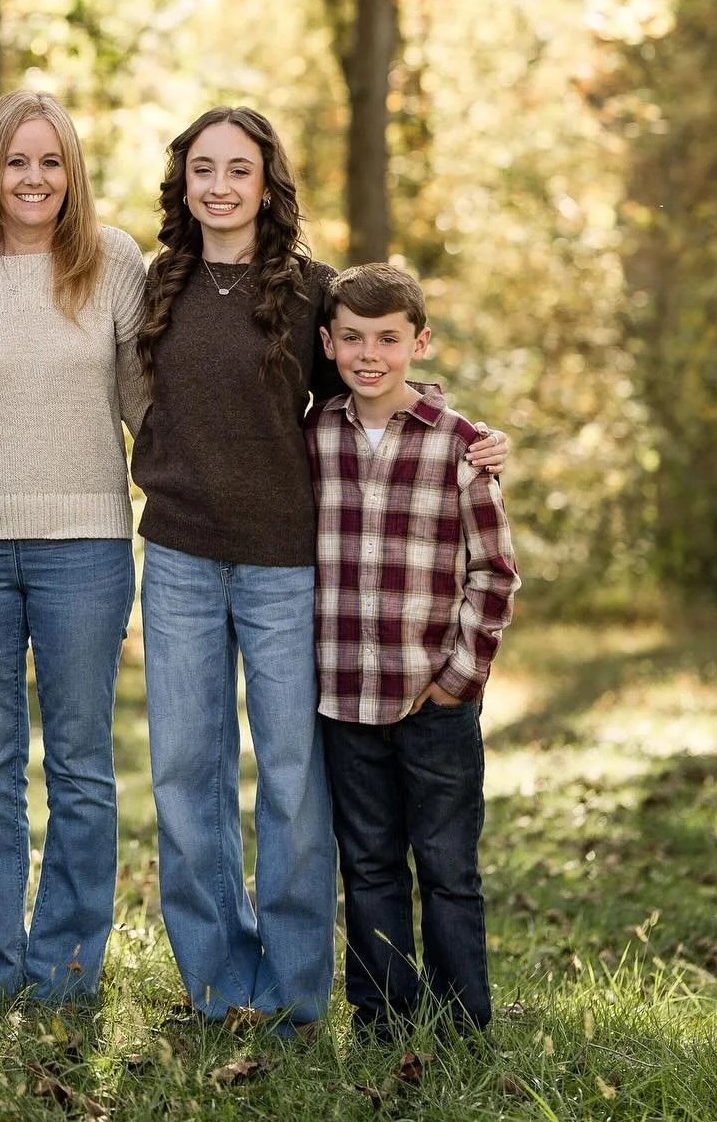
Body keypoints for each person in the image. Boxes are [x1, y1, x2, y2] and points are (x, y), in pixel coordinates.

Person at [130, 106, 509, 1032]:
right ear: (183, 180)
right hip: (177, 553)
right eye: (203, 169)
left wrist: (466, 431)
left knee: (294, 780)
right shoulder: (157, 283)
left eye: (240, 170)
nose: (220, 186)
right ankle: (220, 986)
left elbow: (375, 384)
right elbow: (135, 395)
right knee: (187, 773)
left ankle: (297, 992)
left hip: (285, 565)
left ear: (268, 182)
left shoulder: (309, 288)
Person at [0, 91, 148, 1004]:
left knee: (83, 763)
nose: (34, 179)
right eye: (17, 161)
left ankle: (66, 967)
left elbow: (147, 401)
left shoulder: (112, 262)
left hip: (85, 543)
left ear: (72, 173)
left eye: (51, 162)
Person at [309, 263, 519, 1039]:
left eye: (389, 339)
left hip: (434, 698)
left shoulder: (462, 447)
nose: (371, 354)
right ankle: (382, 1019)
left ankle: (464, 1022)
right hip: (342, 696)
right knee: (366, 863)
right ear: (328, 343)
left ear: (419, 342)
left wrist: (459, 679)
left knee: (447, 867)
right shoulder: (313, 436)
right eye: (354, 338)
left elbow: (494, 571)